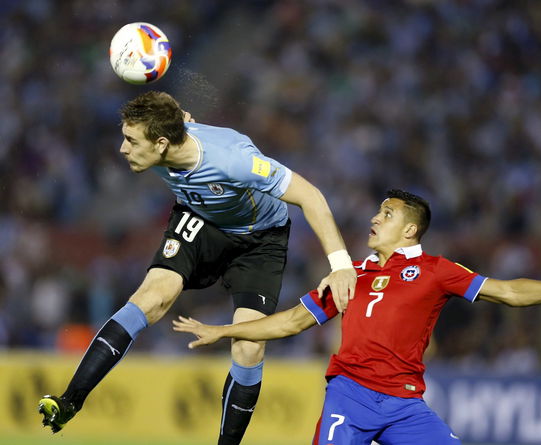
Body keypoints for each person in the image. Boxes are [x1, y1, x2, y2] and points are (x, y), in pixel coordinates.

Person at [38, 91, 357, 445]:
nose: (122, 149)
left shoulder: (235, 161)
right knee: (152, 298)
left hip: (259, 240)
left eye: (130, 140)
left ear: (161, 143)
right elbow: (174, 113)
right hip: (200, 220)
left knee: (248, 346)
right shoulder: (169, 134)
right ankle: (69, 401)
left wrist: (341, 264)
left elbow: (310, 195)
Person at [173, 189, 541, 445]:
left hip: (404, 405)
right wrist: (224, 330)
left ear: (410, 230)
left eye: (387, 214)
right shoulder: (349, 274)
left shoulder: (436, 270)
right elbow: (290, 322)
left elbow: (507, 291)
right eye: (377, 212)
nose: (375, 218)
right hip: (350, 396)